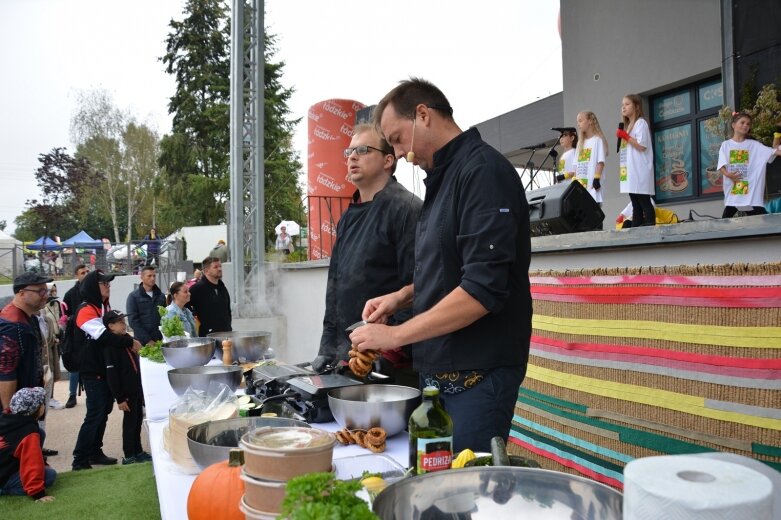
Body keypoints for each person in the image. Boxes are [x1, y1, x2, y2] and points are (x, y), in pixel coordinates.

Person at [349, 78, 533, 453]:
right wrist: (401, 297)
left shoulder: (483, 172)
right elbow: (453, 268)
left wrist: (396, 336)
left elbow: (482, 289)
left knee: (466, 493)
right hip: (440, 377)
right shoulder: (442, 178)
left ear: (423, 115)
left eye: (398, 139)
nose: (398, 153)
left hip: (479, 377)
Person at [312, 123, 423, 387]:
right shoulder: (349, 216)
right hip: (345, 356)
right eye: (349, 151)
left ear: (388, 160)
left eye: (362, 150)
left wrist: (391, 350)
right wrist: (327, 350)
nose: (352, 156)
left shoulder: (406, 209)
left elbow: (420, 287)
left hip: (391, 363)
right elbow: (335, 290)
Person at [71, 270, 141, 471]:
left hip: (100, 370)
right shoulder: (86, 309)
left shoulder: (100, 307)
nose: (108, 286)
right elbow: (105, 337)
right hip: (92, 371)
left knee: (102, 412)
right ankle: (80, 459)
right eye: (104, 283)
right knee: (95, 414)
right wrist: (130, 340)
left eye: (108, 283)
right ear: (94, 286)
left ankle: (94, 451)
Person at [101, 311, 150, 465]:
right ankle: (129, 454)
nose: (124, 324)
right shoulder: (110, 347)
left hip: (136, 389)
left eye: (123, 320)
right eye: (119, 322)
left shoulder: (127, 340)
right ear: (110, 326)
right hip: (126, 393)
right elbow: (112, 375)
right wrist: (120, 398)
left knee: (137, 421)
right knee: (129, 424)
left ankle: (138, 450)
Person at [0, 272, 53, 411]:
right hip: (17, 410)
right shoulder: (12, 325)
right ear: (22, 293)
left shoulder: (30, 319)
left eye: (46, 290)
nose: (45, 295)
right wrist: (9, 414)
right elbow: (6, 372)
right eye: (40, 291)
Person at [718, 112, 781, 218]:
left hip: (750, 190)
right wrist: (729, 175)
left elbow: (773, 151)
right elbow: (721, 165)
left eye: (748, 124)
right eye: (742, 122)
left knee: (756, 212)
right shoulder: (726, 145)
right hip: (734, 186)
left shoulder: (754, 145)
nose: (745, 125)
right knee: (730, 211)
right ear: (733, 125)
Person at [0, 387, 56, 501]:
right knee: (50, 475)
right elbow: (31, 462)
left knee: (41, 433)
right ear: (38, 409)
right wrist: (38, 494)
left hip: (5, 465)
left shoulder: (4, 418)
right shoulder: (29, 432)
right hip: (3, 476)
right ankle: (3, 489)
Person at [617, 94, 656, 226]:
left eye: (627, 104)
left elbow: (642, 145)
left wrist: (625, 137)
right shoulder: (628, 126)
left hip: (640, 170)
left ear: (636, 106)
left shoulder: (641, 123)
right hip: (630, 172)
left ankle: (650, 228)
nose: (624, 107)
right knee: (635, 204)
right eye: (622, 105)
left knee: (644, 202)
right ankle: (635, 231)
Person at [61, 264, 89, 408]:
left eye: (87, 271)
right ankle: (72, 394)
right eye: (82, 272)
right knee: (74, 367)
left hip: (92, 334)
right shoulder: (70, 294)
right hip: (75, 336)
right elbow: (63, 317)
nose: (86, 274)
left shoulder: (94, 291)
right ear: (77, 275)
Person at [188, 257, 231, 337]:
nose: (219, 269)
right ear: (206, 271)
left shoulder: (222, 287)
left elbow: (227, 311)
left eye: (220, 266)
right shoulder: (197, 288)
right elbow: (185, 306)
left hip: (225, 335)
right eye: (215, 267)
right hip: (207, 337)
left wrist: (229, 328)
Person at [125, 265, 166, 346]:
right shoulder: (133, 296)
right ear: (142, 277)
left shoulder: (161, 296)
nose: (153, 278)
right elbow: (133, 321)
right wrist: (148, 340)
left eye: (154, 276)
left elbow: (165, 317)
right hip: (142, 342)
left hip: (160, 340)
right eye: (149, 276)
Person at [575, 110, 608, 206]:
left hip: (593, 188)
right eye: (577, 122)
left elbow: (600, 162)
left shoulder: (597, 140)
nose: (578, 124)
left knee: (594, 218)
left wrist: (596, 179)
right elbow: (576, 165)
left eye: (580, 121)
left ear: (590, 121)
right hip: (581, 188)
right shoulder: (580, 143)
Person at [42, 284, 64, 409]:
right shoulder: (42, 307)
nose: (53, 293)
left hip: (56, 342)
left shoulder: (57, 305)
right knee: (46, 371)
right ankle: (46, 398)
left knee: (54, 369)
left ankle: (51, 396)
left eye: (55, 291)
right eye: (51, 291)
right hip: (47, 343)